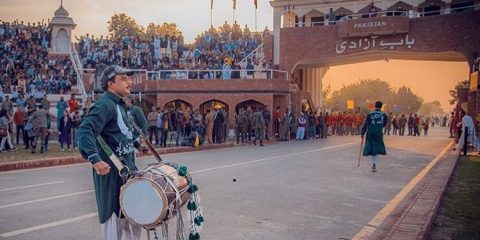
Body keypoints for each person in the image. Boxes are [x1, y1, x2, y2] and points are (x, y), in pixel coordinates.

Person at [77, 65, 147, 240]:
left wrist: (138, 145)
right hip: (112, 177)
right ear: (111, 83)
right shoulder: (105, 104)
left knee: (133, 226)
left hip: (129, 174)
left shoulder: (120, 106)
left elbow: (121, 135)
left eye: (128, 78)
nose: (129, 82)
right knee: (114, 228)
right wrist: (95, 158)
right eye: (123, 79)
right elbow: (85, 130)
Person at [361, 101, 387, 172]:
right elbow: (384, 124)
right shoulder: (384, 115)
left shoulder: (369, 114)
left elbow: (366, 124)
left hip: (370, 133)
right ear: (381, 107)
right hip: (378, 133)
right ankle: (374, 165)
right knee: (376, 150)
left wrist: (362, 133)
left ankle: (373, 164)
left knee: (372, 149)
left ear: (375, 106)